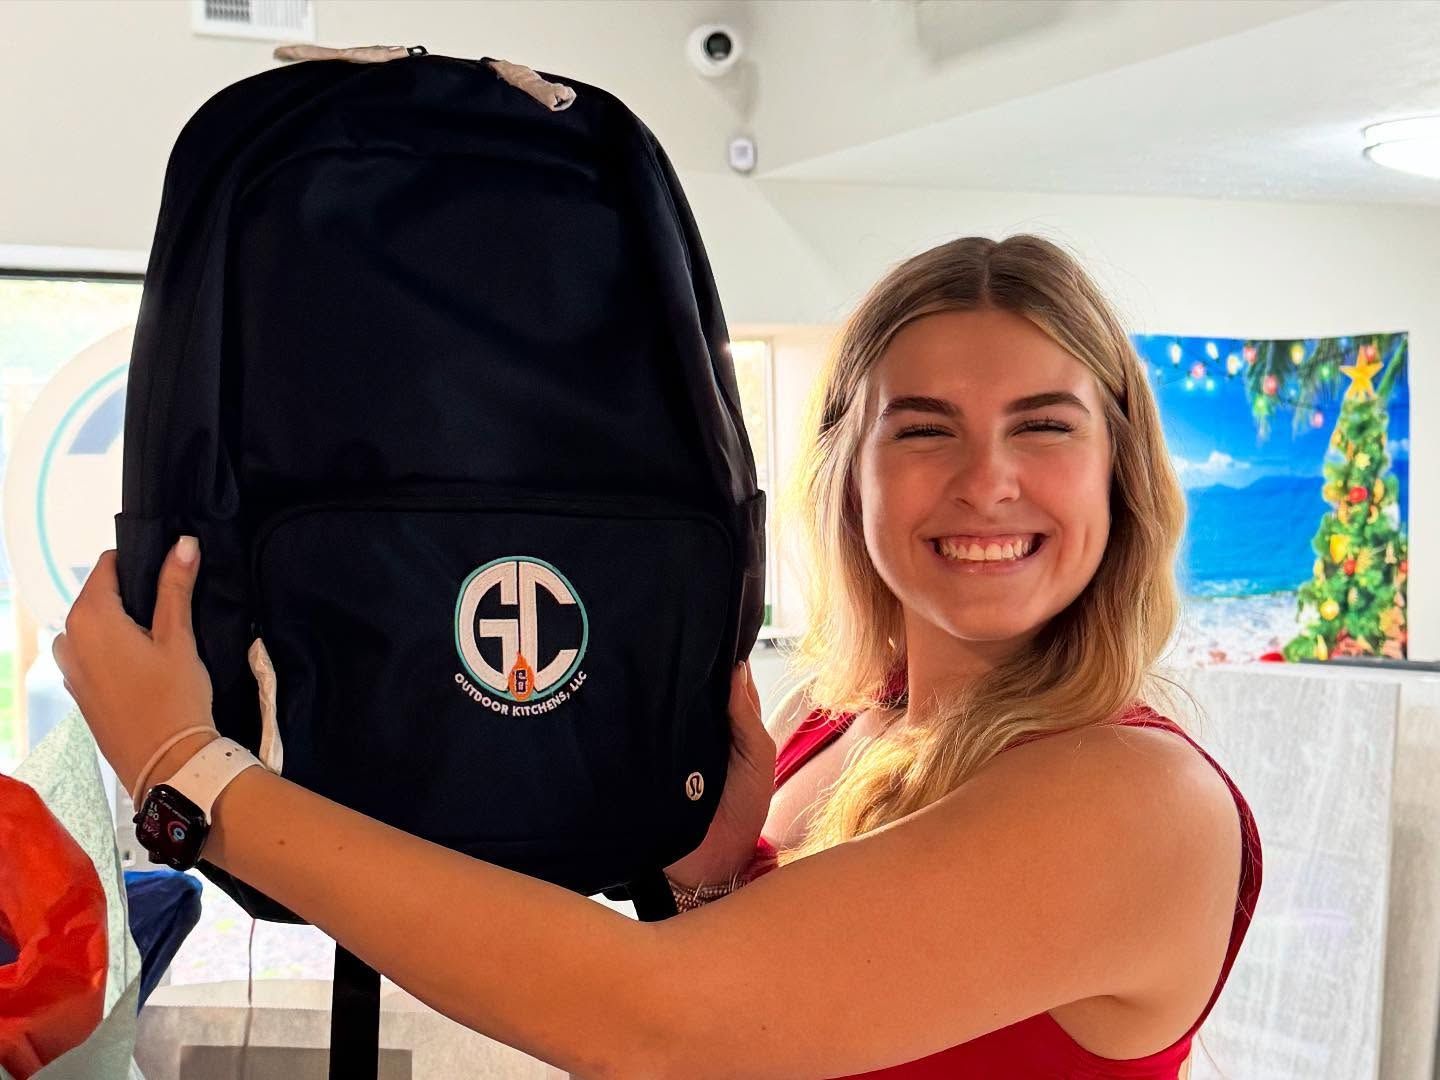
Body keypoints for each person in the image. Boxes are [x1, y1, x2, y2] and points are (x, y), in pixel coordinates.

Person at [55, 233, 1261, 1079]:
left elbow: (652, 1022)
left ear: (1119, 467)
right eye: (924, 430)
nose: (987, 481)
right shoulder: (833, 728)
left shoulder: (1134, 800)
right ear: (850, 472)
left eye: (1043, 427)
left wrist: (191, 773)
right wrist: (710, 885)